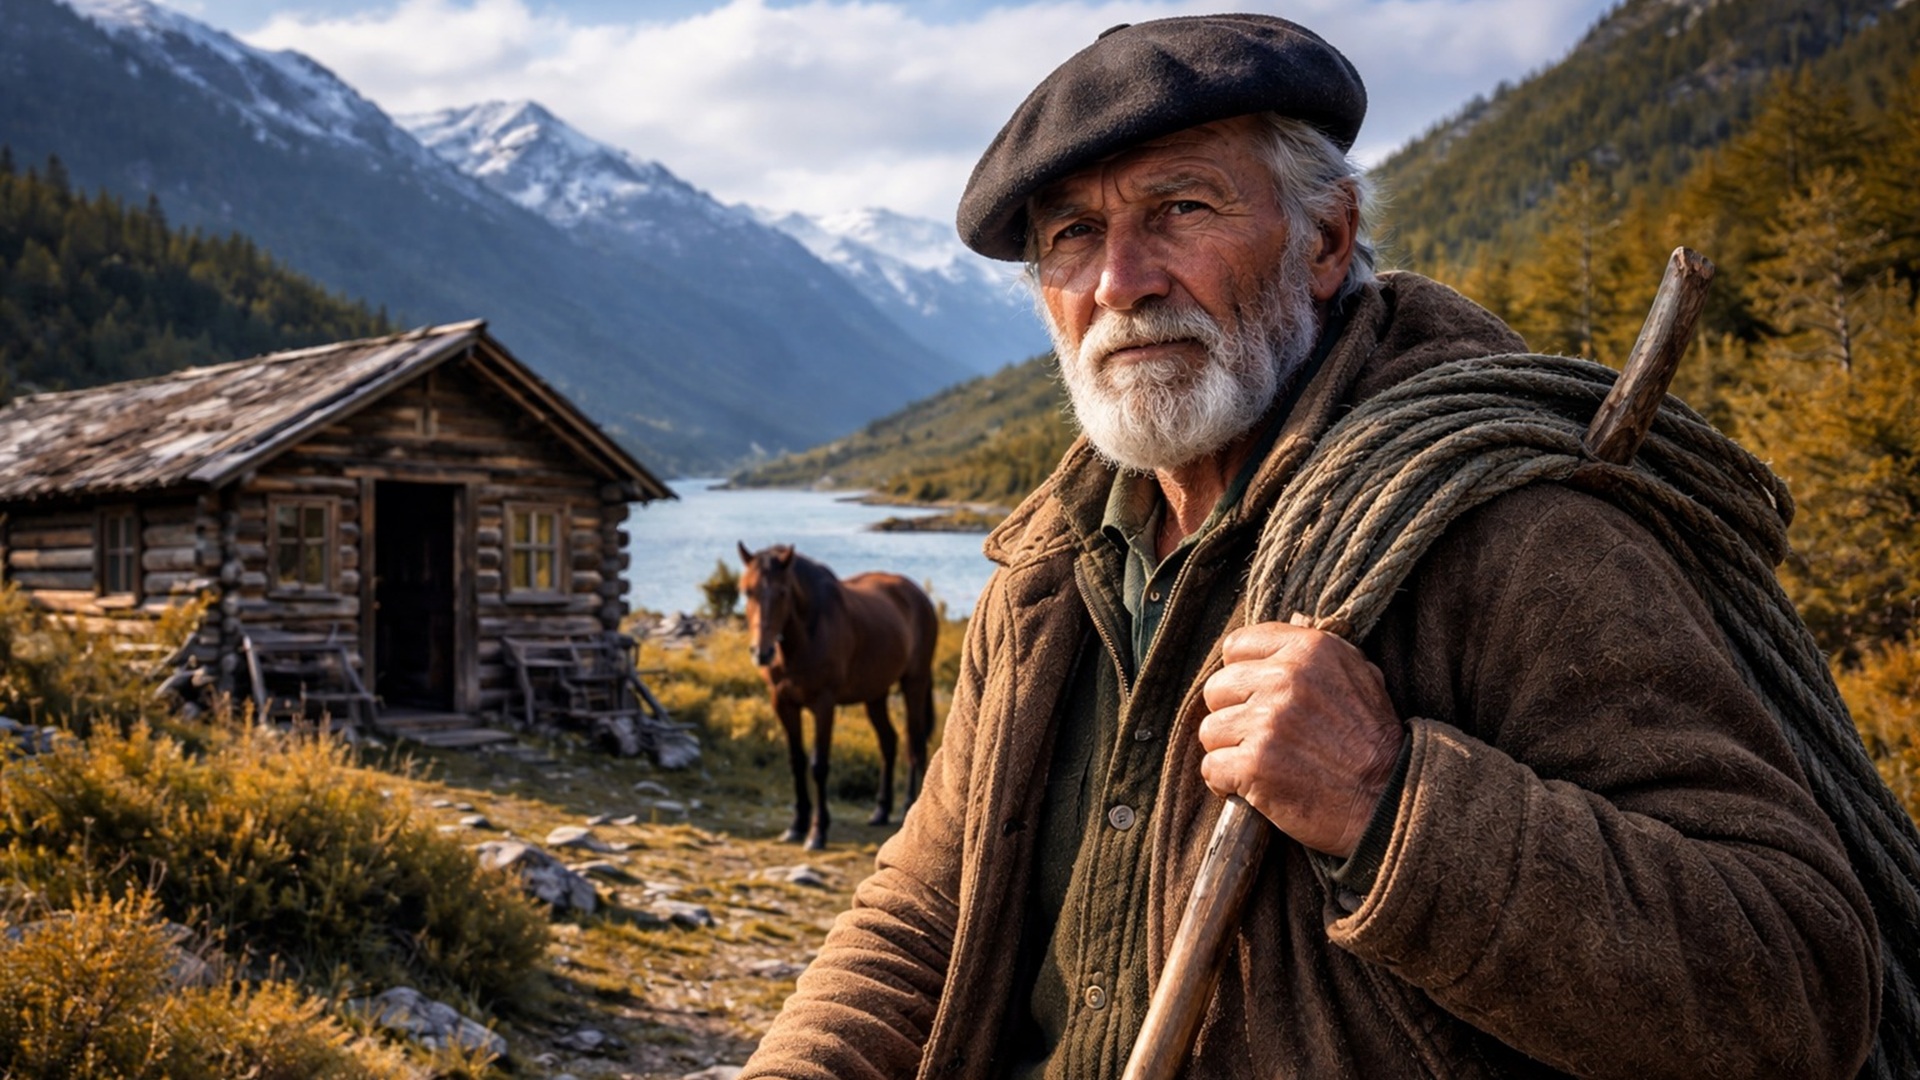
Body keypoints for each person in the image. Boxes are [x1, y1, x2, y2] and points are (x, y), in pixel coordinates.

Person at [738, 14, 1878, 1079]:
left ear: (1326, 239)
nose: (1121, 283)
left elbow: (1800, 981)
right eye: (1074, 237)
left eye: (1180, 209)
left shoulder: (1514, 535)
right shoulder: (1043, 582)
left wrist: (1394, 805)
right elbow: (925, 912)